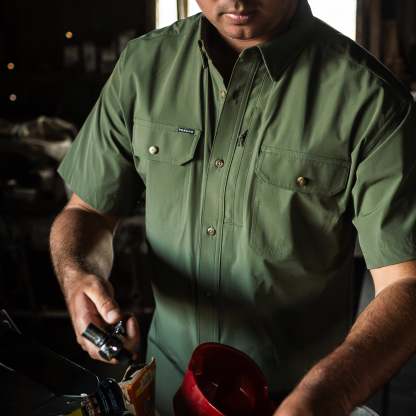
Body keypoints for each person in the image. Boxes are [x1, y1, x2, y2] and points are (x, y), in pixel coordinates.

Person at [49, 0, 416, 415]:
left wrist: (328, 394)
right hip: (166, 395)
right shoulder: (143, 66)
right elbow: (88, 212)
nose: (237, 0)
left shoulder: (372, 99)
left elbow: (405, 284)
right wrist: (78, 273)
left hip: (296, 401)